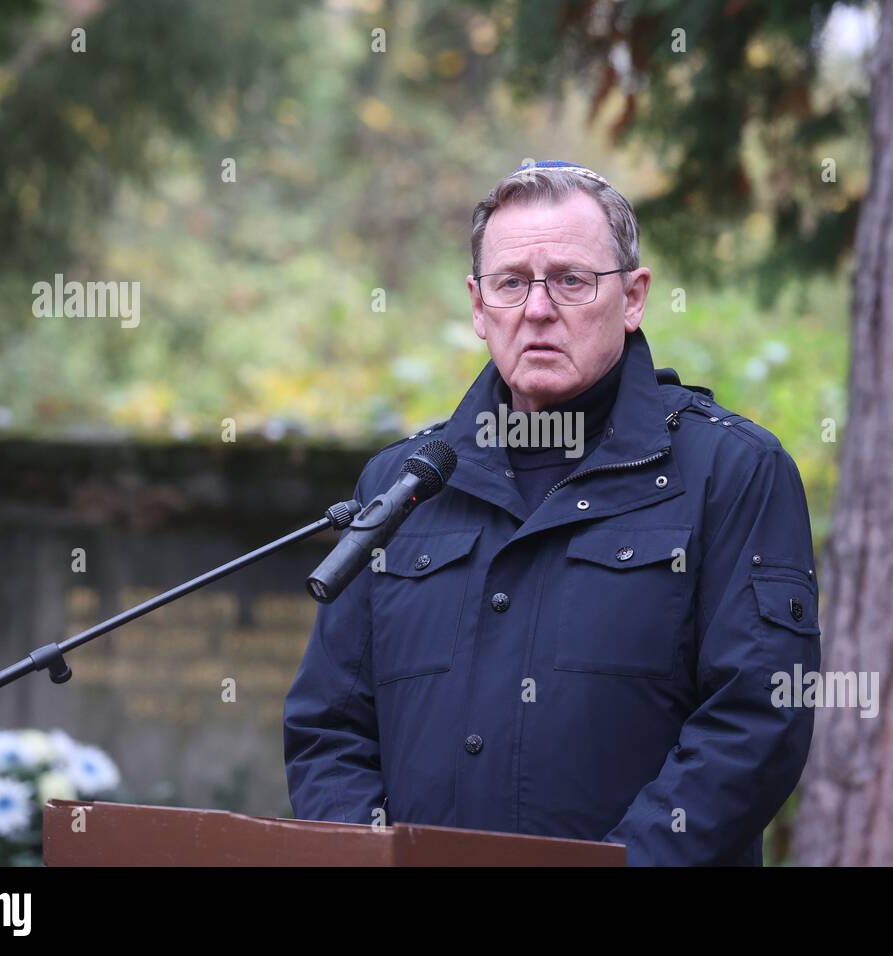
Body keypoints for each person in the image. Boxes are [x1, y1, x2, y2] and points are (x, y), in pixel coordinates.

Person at [284, 160, 821, 865]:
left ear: (633, 297)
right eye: (511, 283)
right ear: (479, 307)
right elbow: (330, 729)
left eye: (571, 279)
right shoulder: (405, 485)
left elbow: (756, 719)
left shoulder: (730, 470)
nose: (538, 308)